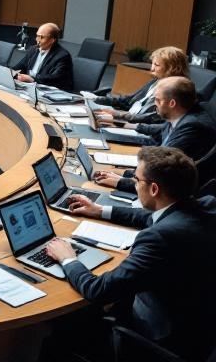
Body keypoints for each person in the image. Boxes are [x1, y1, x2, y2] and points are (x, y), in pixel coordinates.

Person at [46, 146, 216, 361]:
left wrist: (67, 258)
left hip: (162, 335)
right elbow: (151, 218)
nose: (135, 185)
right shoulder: (206, 206)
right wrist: (100, 211)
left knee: (60, 329)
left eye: (137, 180)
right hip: (201, 322)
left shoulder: (159, 238)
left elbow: (98, 291)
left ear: (154, 189)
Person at [95, 77, 216, 192]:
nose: (155, 104)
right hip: (153, 179)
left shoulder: (192, 126)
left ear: (172, 103)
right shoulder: (181, 115)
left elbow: (162, 171)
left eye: (157, 100)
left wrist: (122, 181)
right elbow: (157, 132)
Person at [94, 46, 189, 125]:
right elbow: (128, 101)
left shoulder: (175, 91)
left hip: (138, 127)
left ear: (172, 68)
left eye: (156, 65)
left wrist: (118, 115)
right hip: (128, 120)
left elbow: (154, 118)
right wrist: (96, 99)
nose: (152, 68)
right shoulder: (154, 82)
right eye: (152, 64)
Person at [13, 23, 73, 91]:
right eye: (37, 36)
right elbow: (20, 66)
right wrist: (11, 73)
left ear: (52, 40)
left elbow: (55, 79)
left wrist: (32, 79)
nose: (37, 40)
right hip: (29, 87)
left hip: (47, 90)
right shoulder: (33, 50)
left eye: (41, 37)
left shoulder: (62, 56)